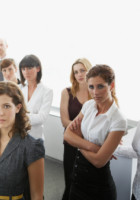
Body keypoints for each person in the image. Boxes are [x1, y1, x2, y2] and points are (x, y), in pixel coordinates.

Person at [0, 81, 45, 200]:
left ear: (18, 107)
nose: (0, 113)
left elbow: (36, 196)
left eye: (6, 106)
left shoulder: (32, 146)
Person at [64, 65, 127, 200]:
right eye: (91, 87)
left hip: (98, 188)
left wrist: (79, 142)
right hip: (77, 180)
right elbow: (67, 135)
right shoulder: (88, 106)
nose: (95, 92)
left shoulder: (118, 120)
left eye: (100, 86)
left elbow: (99, 161)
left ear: (111, 85)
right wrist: (93, 147)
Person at [59, 58, 92, 200]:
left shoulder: (96, 93)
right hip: (71, 142)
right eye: (76, 72)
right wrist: (80, 133)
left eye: (82, 70)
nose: (79, 74)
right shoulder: (66, 92)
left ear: (89, 70)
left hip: (90, 143)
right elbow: (64, 121)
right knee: (71, 179)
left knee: (88, 182)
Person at [19, 54, 53, 140]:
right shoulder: (18, 88)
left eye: (29, 68)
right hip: (17, 136)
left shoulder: (47, 91)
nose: (26, 72)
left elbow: (41, 118)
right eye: (23, 69)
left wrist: (19, 117)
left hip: (35, 138)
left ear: (38, 68)